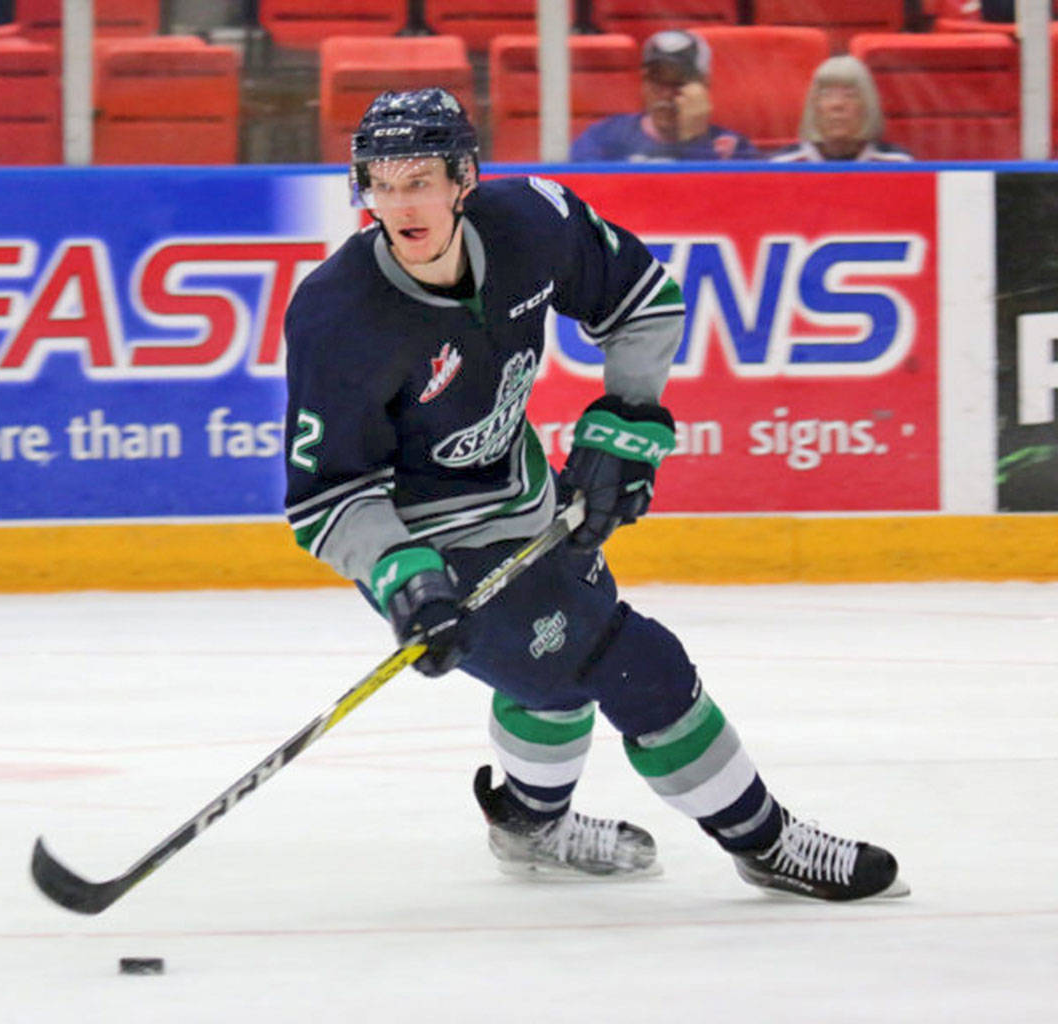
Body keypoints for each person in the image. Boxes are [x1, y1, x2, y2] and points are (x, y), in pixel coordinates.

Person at [282, 86, 908, 901]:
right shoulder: (336, 315)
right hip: (426, 541)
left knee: (552, 677)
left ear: (464, 178)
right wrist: (408, 578)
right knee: (635, 665)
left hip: (526, 495)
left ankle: (530, 825)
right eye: (382, 182)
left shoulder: (532, 221)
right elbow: (329, 498)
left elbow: (644, 300)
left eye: (421, 179)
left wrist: (625, 424)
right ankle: (768, 842)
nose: (402, 202)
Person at [570, 30, 757, 162]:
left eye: (679, 82)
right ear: (643, 82)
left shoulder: (732, 149)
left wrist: (695, 142)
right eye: (657, 80)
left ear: (703, 86)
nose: (667, 94)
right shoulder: (605, 139)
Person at [771, 56, 914, 164]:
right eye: (826, 94)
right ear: (813, 107)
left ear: (868, 107)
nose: (837, 104)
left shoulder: (896, 164)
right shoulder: (784, 165)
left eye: (850, 95)